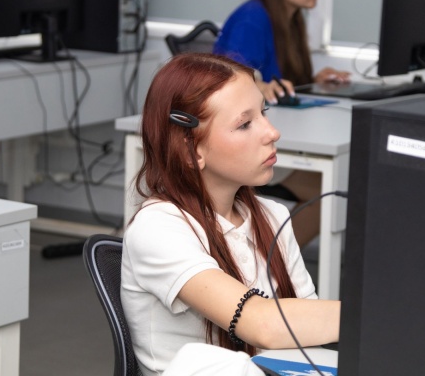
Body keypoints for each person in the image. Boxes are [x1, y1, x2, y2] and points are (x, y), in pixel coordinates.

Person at [121, 53, 340, 376]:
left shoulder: (272, 216)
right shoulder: (158, 228)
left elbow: (306, 328)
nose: (272, 133)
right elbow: (260, 324)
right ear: (190, 150)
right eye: (244, 124)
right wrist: (379, 314)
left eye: (264, 113)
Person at [213, 0, 350, 247]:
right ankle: (268, 261)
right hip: (249, 146)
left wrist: (311, 80)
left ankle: (268, 260)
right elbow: (224, 81)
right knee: (329, 193)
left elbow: (278, 81)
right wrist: (257, 85)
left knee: (337, 185)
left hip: (273, 140)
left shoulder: (291, 19)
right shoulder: (252, 19)